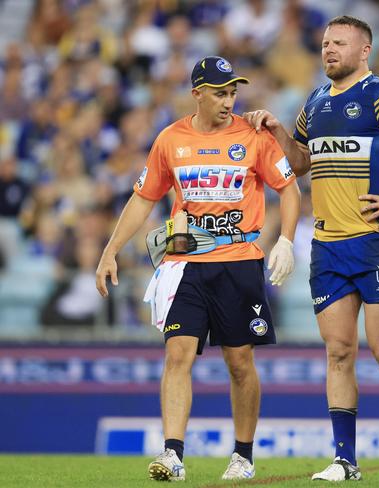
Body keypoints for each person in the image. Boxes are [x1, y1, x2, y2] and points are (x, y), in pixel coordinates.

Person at [244, 15, 379, 482]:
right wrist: (278, 130)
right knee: (338, 352)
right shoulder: (315, 101)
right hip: (328, 246)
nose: (328, 50)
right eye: (324, 43)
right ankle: (345, 460)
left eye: (339, 43)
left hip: (377, 241)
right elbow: (298, 164)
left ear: (365, 51)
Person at [95, 56, 300, 482]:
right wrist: (111, 249)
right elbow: (143, 198)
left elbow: (289, 187)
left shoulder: (253, 135)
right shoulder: (170, 139)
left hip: (239, 263)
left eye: (233, 92)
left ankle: (242, 456)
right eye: (221, 93)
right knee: (177, 355)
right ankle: (172, 454)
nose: (230, 101)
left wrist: (285, 240)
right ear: (198, 94)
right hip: (184, 263)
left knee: (240, 362)